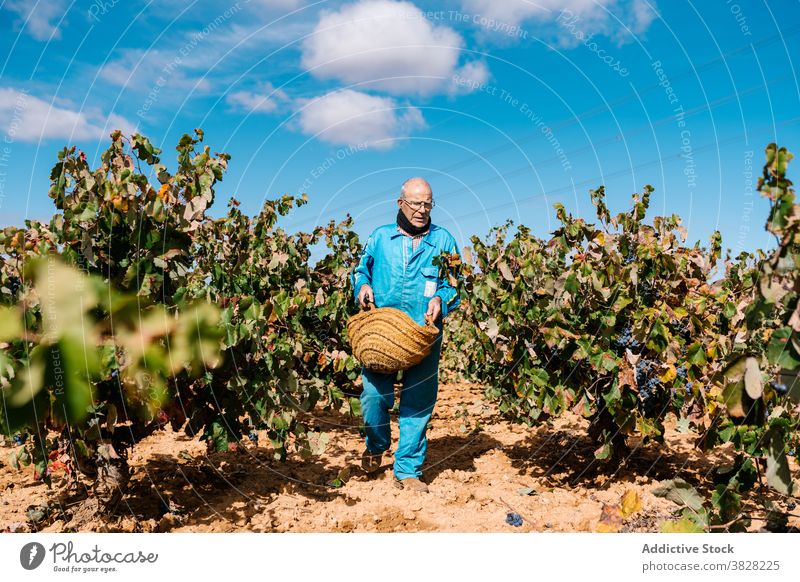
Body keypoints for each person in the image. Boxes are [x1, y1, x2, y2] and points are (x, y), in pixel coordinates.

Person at [351, 177, 460, 493]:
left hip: (424, 335)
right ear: (400, 203)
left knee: (418, 402)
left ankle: (408, 470)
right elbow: (361, 271)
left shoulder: (444, 241)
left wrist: (442, 299)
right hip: (382, 335)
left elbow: (453, 283)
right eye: (416, 203)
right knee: (373, 396)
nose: (422, 210)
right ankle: (376, 444)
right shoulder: (380, 238)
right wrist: (363, 287)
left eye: (428, 203)